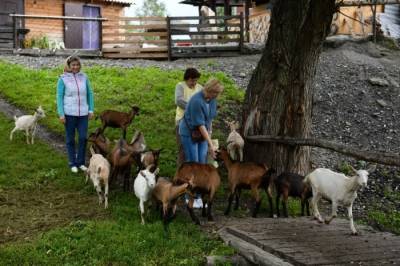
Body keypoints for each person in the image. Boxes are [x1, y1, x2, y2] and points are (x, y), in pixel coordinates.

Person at [179, 78, 223, 208]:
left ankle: (199, 195)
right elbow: (200, 125)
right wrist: (210, 144)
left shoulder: (212, 99)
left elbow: (209, 120)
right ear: (209, 90)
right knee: (194, 164)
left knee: (202, 164)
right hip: (189, 133)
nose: (217, 96)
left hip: (202, 133)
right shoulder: (196, 101)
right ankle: (189, 196)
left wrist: (210, 139)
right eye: (215, 93)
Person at [57, 56, 94, 173]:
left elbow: (89, 94)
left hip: (83, 113)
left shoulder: (84, 77)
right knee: (70, 139)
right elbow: (59, 97)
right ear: (68, 65)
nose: (75, 67)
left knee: (83, 138)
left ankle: (81, 162)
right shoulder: (62, 79)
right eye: (73, 65)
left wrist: (91, 110)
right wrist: (61, 114)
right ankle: (72, 163)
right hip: (69, 113)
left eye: (77, 65)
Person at [175, 68, 203, 168]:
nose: (194, 83)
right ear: (187, 79)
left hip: (196, 124)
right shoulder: (180, 86)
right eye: (192, 80)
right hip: (181, 121)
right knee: (182, 150)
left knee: (195, 150)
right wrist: (194, 108)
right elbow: (179, 101)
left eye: (196, 80)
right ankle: (180, 173)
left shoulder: (200, 88)